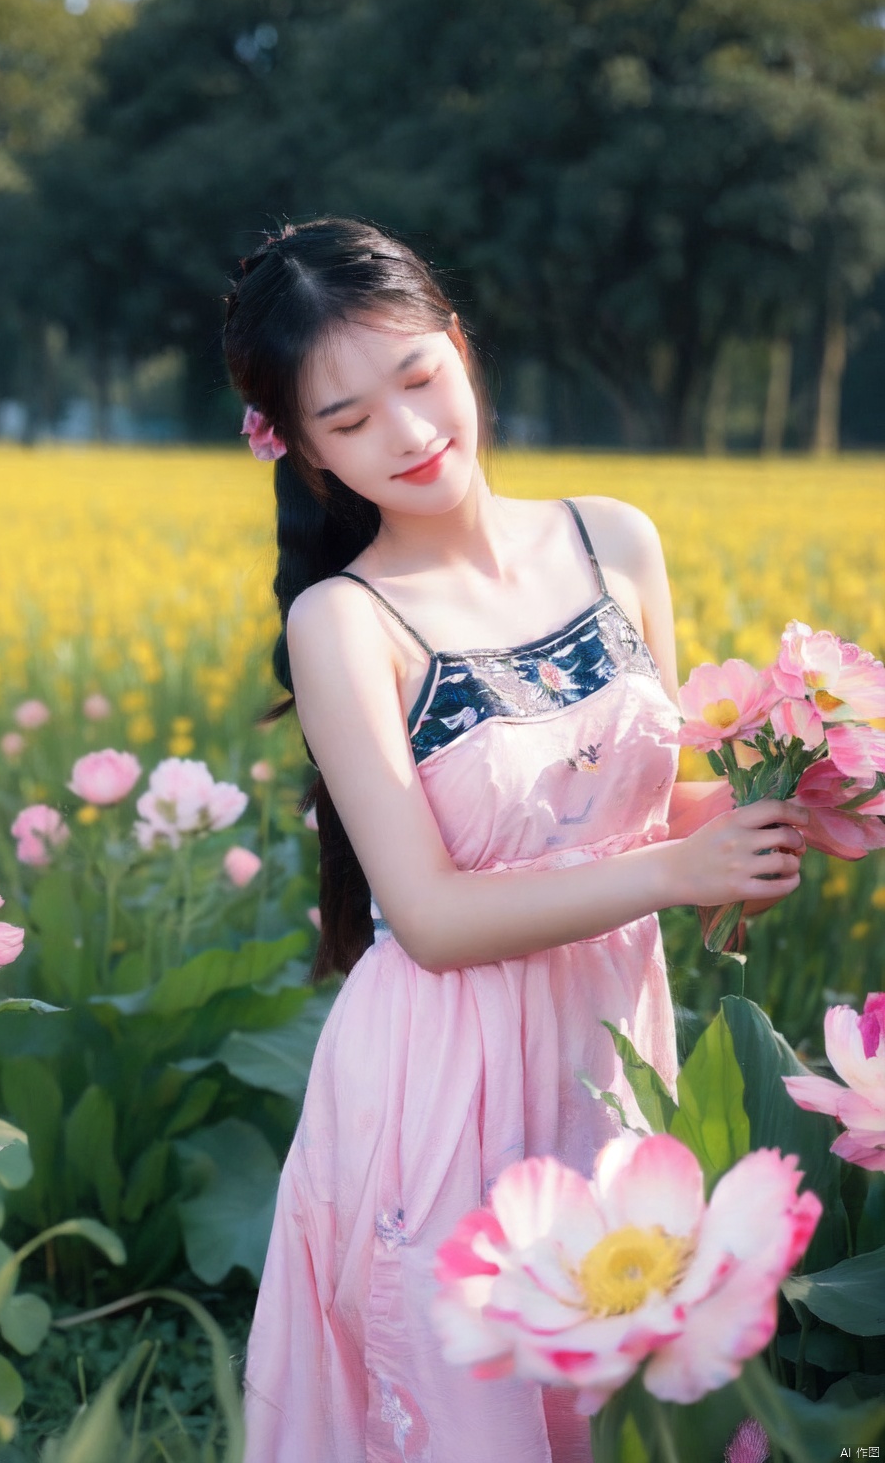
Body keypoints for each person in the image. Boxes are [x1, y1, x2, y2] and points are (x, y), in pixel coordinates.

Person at [222, 218, 807, 1463]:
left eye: (420, 376)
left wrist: (791, 806)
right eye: (349, 419)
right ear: (301, 447)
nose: (410, 433)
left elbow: (649, 804)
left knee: (621, 1396)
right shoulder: (348, 621)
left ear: (459, 343)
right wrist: (672, 870)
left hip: (605, 1044)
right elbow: (428, 919)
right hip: (444, 1079)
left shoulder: (612, 540)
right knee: (470, 1417)